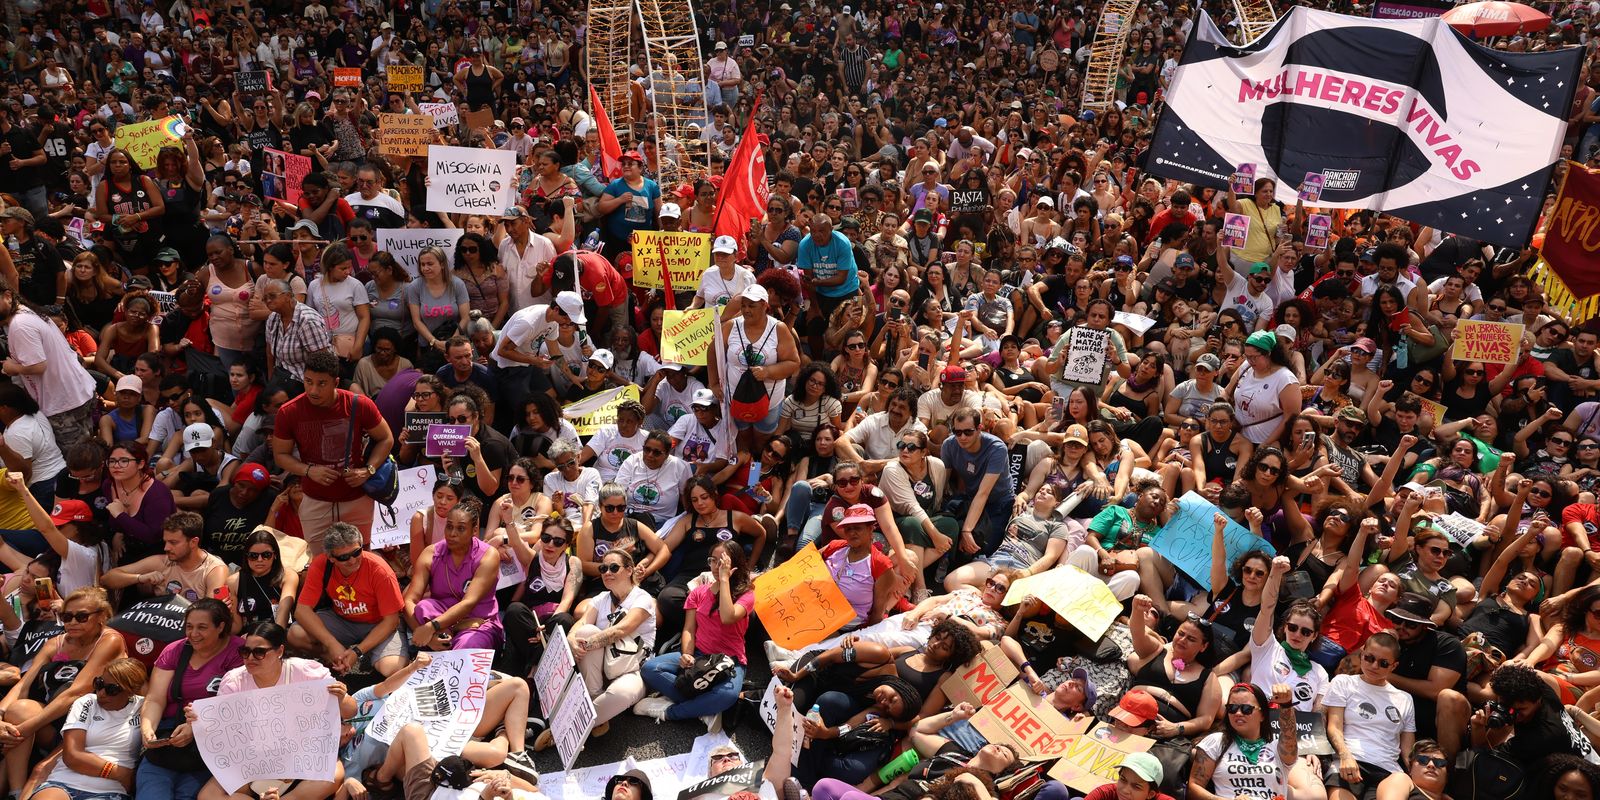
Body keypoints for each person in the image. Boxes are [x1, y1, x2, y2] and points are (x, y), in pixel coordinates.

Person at [192, 620, 354, 800]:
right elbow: (222, 729)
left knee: (334, 775)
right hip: (253, 759)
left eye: (259, 652)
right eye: (245, 651)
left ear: (280, 651)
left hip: (302, 755)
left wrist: (341, 698)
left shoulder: (306, 671)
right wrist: (198, 721)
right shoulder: (234, 680)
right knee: (208, 795)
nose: (250, 658)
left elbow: (351, 711)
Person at [0, 586, 127, 792]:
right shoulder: (55, 643)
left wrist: (19, 731)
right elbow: (24, 684)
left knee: (39, 769)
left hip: (90, 724)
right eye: (67, 617)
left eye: (82, 617)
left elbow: (76, 692)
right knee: (19, 709)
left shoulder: (110, 640)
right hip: (54, 718)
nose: (73, 622)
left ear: (101, 616)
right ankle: (16, 791)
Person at [532, 548, 656, 751]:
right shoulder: (601, 598)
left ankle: (566, 728)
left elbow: (621, 629)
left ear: (629, 570)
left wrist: (584, 645)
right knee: (586, 631)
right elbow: (581, 623)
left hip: (633, 670)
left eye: (613, 567)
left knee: (622, 694)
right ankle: (594, 703)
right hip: (600, 670)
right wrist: (571, 639)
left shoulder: (642, 598)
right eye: (603, 568)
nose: (607, 572)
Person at [271, 351, 395, 553]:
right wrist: (308, 470)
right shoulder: (289, 411)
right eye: (308, 381)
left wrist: (368, 470)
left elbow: (386, 438)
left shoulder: (359, 404)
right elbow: (280, 455)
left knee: (359, 556)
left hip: (356, 497)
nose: (313, 390)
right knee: (320, 559)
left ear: (336, 382)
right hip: (315, 499)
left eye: (321, 383)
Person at [635, 539, 754, 729]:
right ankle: (704, 708)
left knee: (727, 696)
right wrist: (687, 654)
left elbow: (727, 617)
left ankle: (670, 712)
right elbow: (689, 629)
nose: (716, 566)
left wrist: (724, 580)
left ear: (734, 564)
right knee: (650, 669)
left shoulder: (746, 594)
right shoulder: (698, 592)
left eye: (722, 562)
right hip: (699, 654)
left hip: (730, 660)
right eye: (713, 560)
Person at [288, 522, 408, 677]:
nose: (352, 560)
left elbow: (391, 621)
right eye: (344, 557)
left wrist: (357, 651)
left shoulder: (379, 570)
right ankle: (335, 657)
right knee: (296, 634)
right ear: (331, 558)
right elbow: (302, 610)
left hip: (378, 623)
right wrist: (331, 644)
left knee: (391, 668)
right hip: (342, 620)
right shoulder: (320, 564)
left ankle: (362, 654)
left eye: (357, 552)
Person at [0, 276, 98, 450]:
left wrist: (12, 367)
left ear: (8, 296)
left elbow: (38, 366)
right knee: (88, 452)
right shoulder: (25, 314)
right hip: (75, 394)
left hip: (64, 404)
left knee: (78, 460)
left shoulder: (20, 324)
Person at [31, 657, 148, 800]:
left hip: (110, 792)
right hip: (62, 783)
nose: (101, 693)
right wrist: (120, 773)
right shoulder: (87, 702)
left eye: (112, 689)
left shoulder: (144, 707)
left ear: (131, 691)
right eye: (99, 684)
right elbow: (72, 756)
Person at [1323, 632, 1416, 800]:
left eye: (1383, 663)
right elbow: (1334, 726)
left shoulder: (1404, 699)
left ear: (1394, 666)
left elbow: (1407, 750)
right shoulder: (1343, 682)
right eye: (1369, 658)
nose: (1374, 666)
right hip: (1348, 762)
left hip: (1388, 772)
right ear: (1362, 653)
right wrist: (1345, 756)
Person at [405, 498, 503, 652]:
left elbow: (468, 602)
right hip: (440, 621)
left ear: (474, 530)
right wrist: (426, 636)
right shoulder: (431, 553)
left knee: (464, 648)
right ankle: (452, 631)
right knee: (424, 607)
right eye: (449, 526)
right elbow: (409, 600)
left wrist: (432, 626)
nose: (452, 534)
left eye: (461, 528)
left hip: (479, 623)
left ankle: (450, 636)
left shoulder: (488, 555)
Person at [100, 512, 227, 603]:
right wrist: (139, 578)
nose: (166, 548)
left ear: (193, 542)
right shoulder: (161, 562)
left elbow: (215, 610)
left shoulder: (215, 569)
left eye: (173, 542)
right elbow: (107, 579)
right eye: (165, 542)